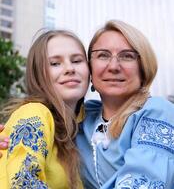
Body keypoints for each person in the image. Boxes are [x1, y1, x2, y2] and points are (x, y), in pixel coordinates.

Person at [76, 20, 174, 189]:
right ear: (89, 68)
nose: (113, 66)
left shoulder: (156, 112)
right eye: (103, 55)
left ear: (143, 68)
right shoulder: (82, 117)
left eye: (127, 56)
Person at [0, 29, 89, 189]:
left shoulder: (78, 130)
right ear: (38, 75)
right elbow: (23, 182)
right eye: (55, 63)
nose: (70, 69)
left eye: (77, 61)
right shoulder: (35, 112)